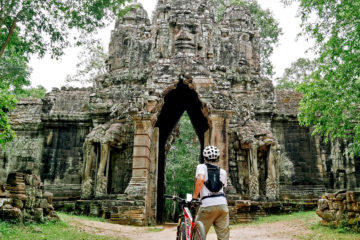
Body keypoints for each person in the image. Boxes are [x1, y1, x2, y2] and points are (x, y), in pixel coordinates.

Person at [193, 145, 230, 240]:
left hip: (207, 205)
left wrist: (194, 197)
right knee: (223, 237)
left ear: (204, 157)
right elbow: (223, 186)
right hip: (222, 205)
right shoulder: (223, 172)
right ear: (218, 158)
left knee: (198, 235)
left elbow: (201, 179)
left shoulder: (201, 167)